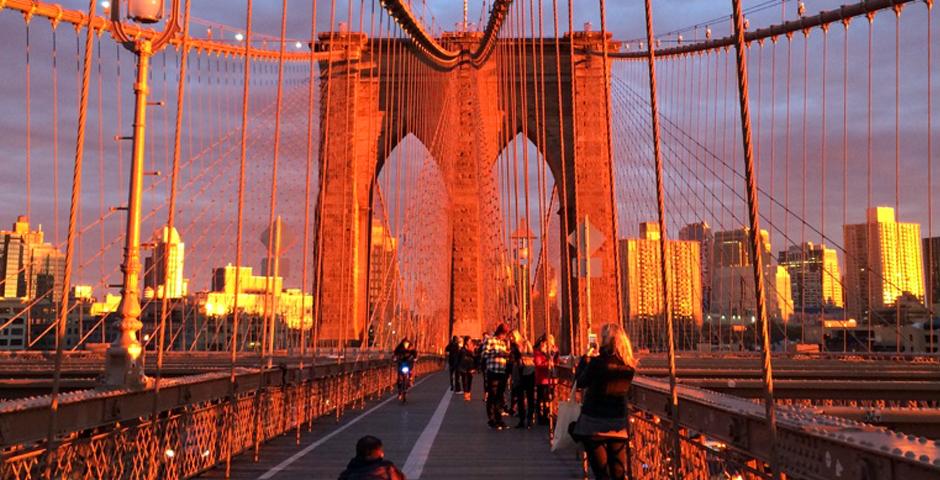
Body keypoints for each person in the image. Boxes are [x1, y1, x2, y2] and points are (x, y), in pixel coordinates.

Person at [572, 323, 637, 480]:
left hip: (594, 423)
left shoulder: (596, 363)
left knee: (602, 474)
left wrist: (585, 359)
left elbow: (580, 382)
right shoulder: (629, 366)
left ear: (604, 340)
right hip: (617, 423)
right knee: (618, 473)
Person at [481, 323, 511, 430]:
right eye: (503, 334)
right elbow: (484, 354)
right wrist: (497, 353)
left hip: (502, 371)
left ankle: (499, 419)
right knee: (492, 395)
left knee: (499, 396)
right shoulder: (489, 340)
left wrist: (506, 355)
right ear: (499, 332)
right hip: (492, 371)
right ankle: (492, 419)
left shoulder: (504, 343)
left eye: (505, 335)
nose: (504, 336)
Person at [338, 435, 406, 480]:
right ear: (368, 454)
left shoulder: (346, 475)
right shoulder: (388, 470)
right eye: (380, 451)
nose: (382, 454)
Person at [510, 330, 537, 429]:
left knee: (530, 396)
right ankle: (521, 419)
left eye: (512, 337)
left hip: (528, 371)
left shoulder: (526, 343)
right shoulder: (513, 346)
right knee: (520, 397)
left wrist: (523, 357)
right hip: (518, 372)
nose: (511, 339)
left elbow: (532, 355)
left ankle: (529, 419)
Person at [533, 334, 559, 425]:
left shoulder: (551, 352)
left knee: (549, 398)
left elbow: (555, 362)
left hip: (550, 379)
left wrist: (555, 355)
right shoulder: (538, 352)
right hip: (542, 379)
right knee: (543, 399)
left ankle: (548, 415)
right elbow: (539, 364)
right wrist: (549, 361)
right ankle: (541, 417)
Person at [456, 336, 477, 401]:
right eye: (469, 341)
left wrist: (475, 367)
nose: (470, 342)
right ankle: (466, 394)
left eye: (470, 341)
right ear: (466, 341)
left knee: (470, 380)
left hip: (470, 367)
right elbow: (460, 358)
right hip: (463, 368)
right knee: (465, 381)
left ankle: (468, 392)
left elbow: (474, 357)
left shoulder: (472, 348)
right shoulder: (462, 349)